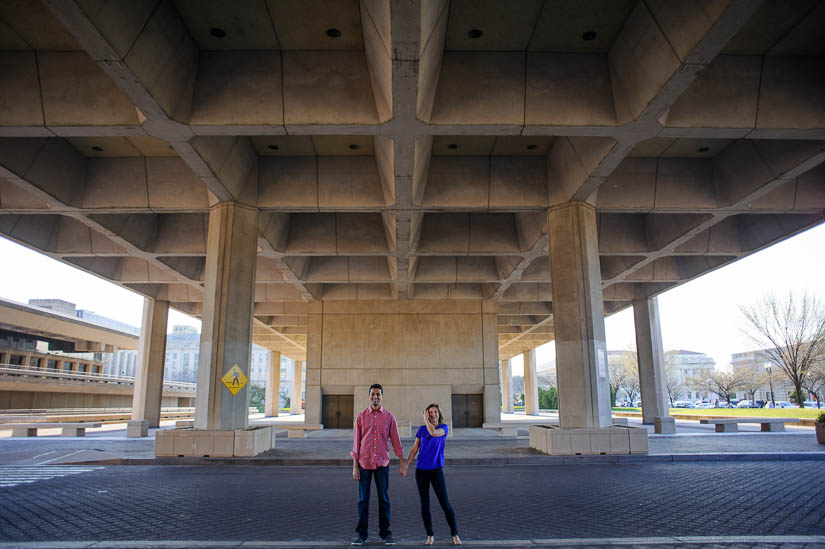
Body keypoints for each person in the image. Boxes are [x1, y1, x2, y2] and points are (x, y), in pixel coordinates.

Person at [351, 383, 406, 546]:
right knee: (363, 501)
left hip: (382, 464)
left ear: (382, 396)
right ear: (369, 396)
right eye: (373, 394)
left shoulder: (389, 417)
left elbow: (396, 441)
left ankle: (386, 534)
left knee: (384, 499)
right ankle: (361, 535)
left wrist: (402, 463)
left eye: (378, 394)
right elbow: (356, 442)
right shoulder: (361, 417)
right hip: (364, 464)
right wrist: (355, 465)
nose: (375, 397)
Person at [405, 403, 461, 546]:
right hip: (421, 472)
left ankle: (455, 534)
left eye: (435, 412)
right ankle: (430, 535)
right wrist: (406, 464)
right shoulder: (422, 430)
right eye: (430, 412)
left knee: (445, 504)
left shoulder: (443, 428)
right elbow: (414, 449)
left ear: (439, 414)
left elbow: (433, 433)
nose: (432, 415)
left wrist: (425, 418)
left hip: (436, 471)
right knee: (425, 505)